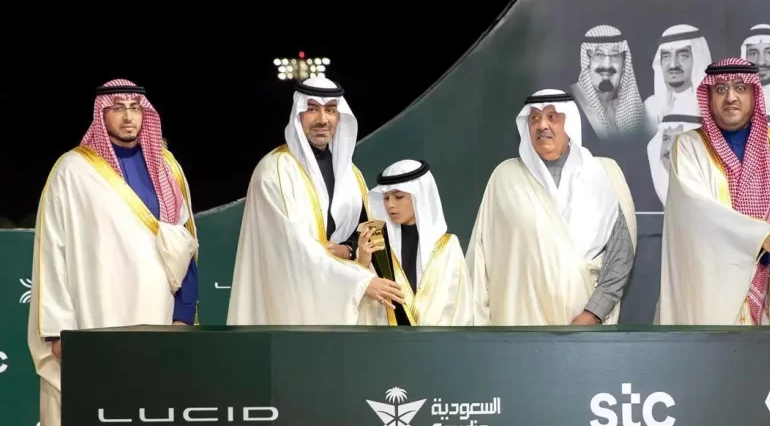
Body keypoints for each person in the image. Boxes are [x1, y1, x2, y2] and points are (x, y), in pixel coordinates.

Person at [27, 79, 199, 426]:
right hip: (92, 320)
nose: (127, 116)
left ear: (147, 113)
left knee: (148, 423)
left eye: (135, 107)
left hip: (155, 319)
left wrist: (183, 313)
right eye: (117, 108)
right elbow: (53, 251)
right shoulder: (73, 170)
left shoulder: (167, 167)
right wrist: (58, 329)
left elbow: (186, 243)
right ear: (100, 115)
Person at [226, 76, 399, 325]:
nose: (322, 120)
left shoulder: (351, 175)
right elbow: (290, 248)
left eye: (331, 110)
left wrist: (347, 250)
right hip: (292, 300)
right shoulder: (274, 171)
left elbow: (362, 232)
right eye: (312, 109)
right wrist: (360, 282)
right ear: (298, 114)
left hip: (345, 299)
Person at [466, 90, 636, 325]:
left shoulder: (604, 174)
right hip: (517, 326)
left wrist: (593, 313)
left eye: (552, 117)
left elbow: (620, 254)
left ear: (570, 122)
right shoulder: (505, 177)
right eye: (534, 118)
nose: (542, 125)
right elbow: (481, 258)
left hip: (583, 326)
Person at [657, 58, 770, 326]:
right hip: (711, 290)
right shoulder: (689, 146)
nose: (731, 97)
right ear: (709, 97)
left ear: (754, 94)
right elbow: (697, 213)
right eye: (721, 89)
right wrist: (763, 237)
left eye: (740, 88)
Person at [359, 159, 473, 326]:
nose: (390, 205)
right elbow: (365, 306)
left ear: (419, 195)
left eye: (398, 196)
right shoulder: (376, 246)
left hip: (437, 340)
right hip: (387, 339)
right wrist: (363, 262)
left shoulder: (448, 246)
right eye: (386, 198)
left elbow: (460, 310)